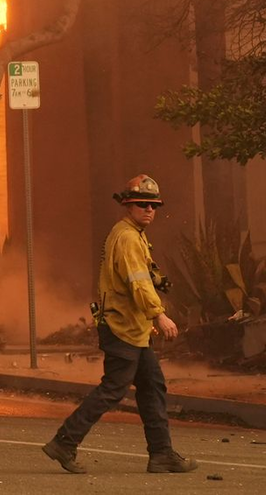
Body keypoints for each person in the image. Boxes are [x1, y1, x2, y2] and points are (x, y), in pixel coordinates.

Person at [42, 174, 197, 475]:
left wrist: (158, 280)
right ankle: (64, 442)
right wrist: (159, 314)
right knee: (113, 389)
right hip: (124, 328)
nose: (150, 209)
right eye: (143, 204)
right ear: (128, 204)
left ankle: (161, 454)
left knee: (152, 386)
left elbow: (141, 274)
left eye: (154, 205)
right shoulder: (127, 237)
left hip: (133, 330)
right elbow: (137, 284)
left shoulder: (133, 233)